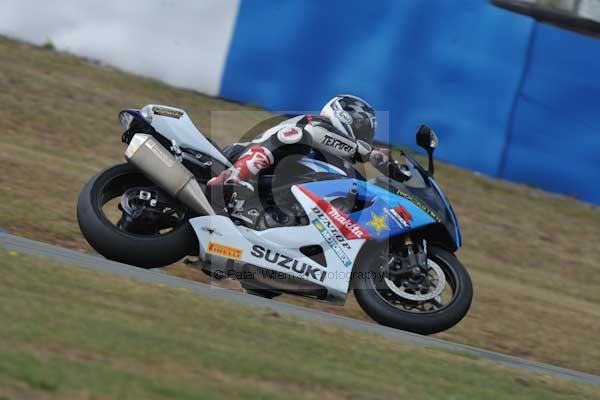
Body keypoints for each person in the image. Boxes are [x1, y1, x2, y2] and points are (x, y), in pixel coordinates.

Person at [208, 95, 404, 191]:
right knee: (295, 136)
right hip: (239, 155)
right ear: (344, 118)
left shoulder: (336, 160)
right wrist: (368, 153)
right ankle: (233, 176)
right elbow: (316, 134)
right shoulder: (317, 124)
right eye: (363, 130)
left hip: (272, 182)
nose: (366, 137)